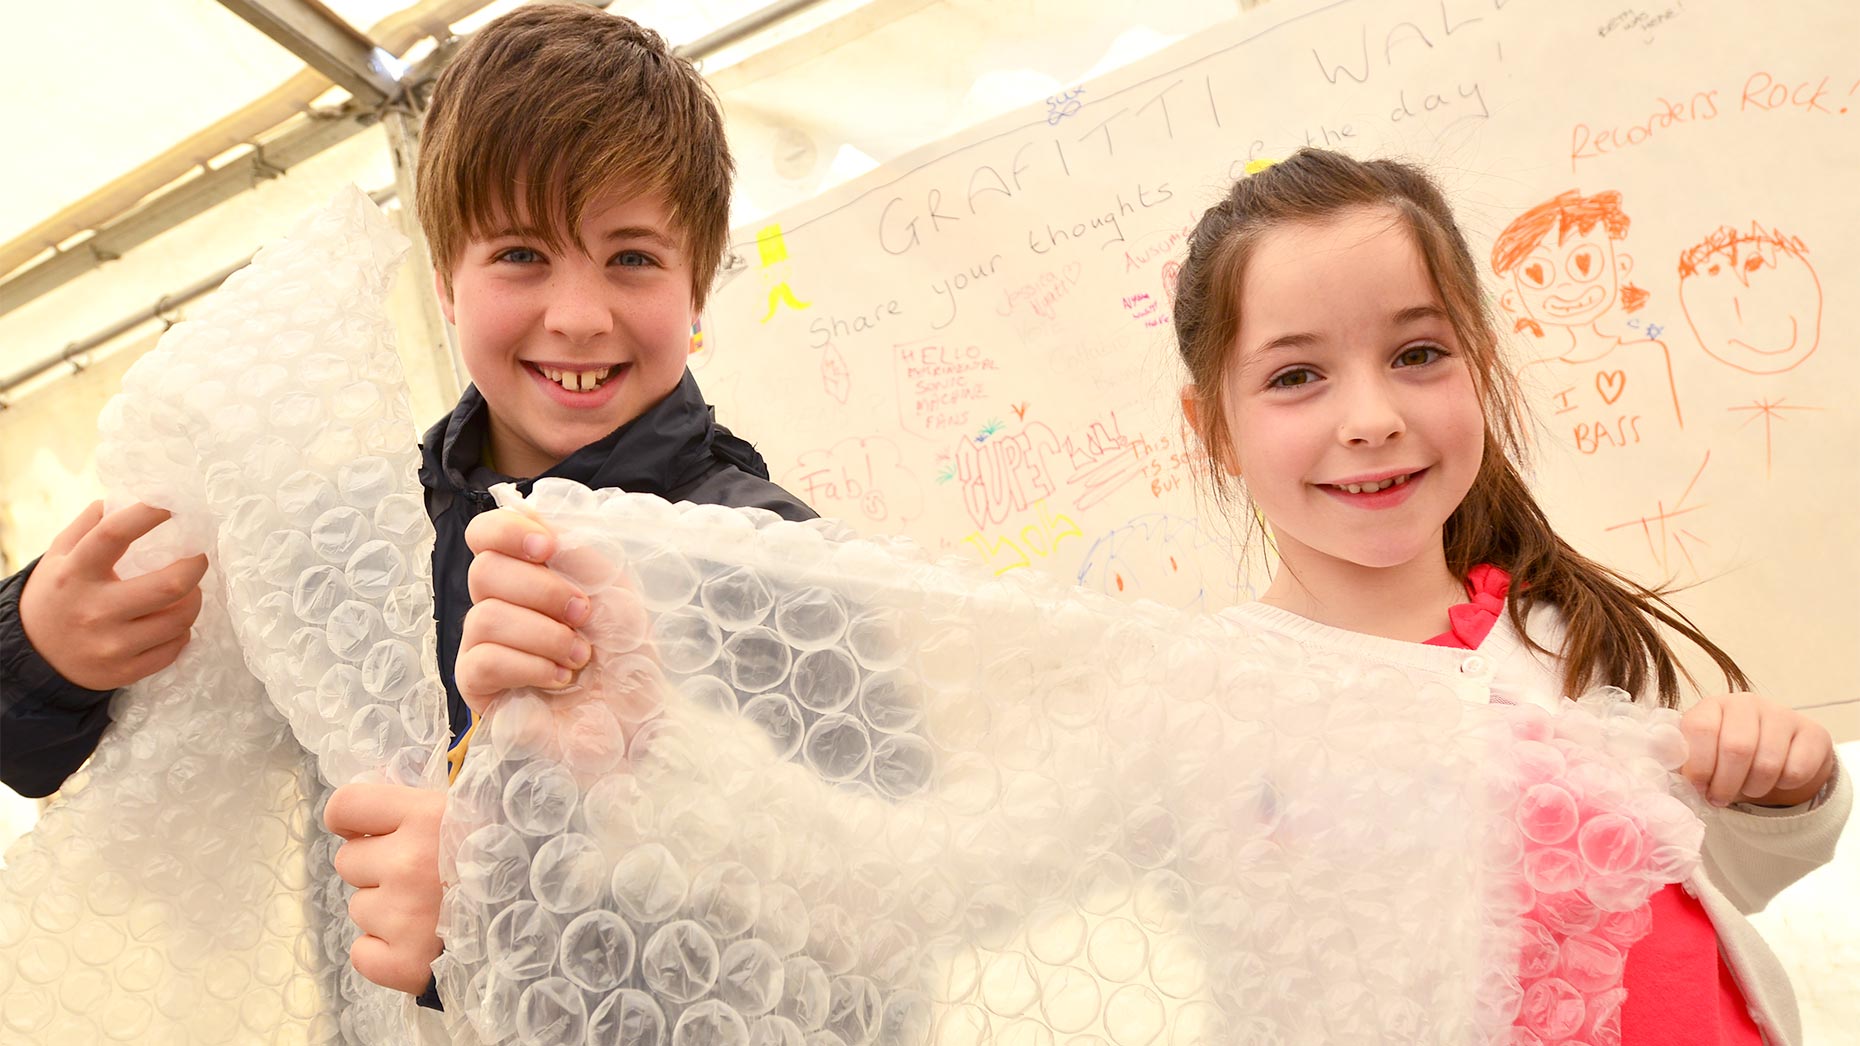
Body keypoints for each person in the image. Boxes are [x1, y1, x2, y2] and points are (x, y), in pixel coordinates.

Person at [0, 1, 814, 1006]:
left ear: (697, 289)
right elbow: (46, 752)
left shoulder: (776, 560)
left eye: (633, 257)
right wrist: (40, 651)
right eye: (520, 253)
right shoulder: (353, 544)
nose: (577, 313)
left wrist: (504, 916)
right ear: (445, 284)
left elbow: (861, 951)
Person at [1172, 148, 1847, 1046]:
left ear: (1479, 369)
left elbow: (1709, 877)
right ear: (1215, 427)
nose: (1372, 418)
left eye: (1418, 354)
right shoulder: (1211, 706)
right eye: (1297, 375)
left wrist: (1781, 790)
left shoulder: (1564, 629)